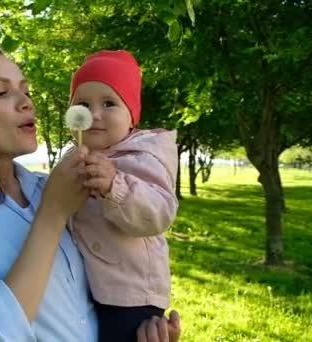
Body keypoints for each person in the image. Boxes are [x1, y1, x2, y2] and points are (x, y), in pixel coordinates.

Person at [0, 42, 180, 341]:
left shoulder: (52, 187)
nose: (27, 103)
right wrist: (52, 215)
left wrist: (138, 330)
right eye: (1, 92)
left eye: (25, 91)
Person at [68, 50, 179, 342]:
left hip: (131, 297)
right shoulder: (74, 157)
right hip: (91, 289)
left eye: (109, 103)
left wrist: (115, 185)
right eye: (82, 104)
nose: (94, 114)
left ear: (132, 117)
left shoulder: (142, 156)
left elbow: (159, 213)